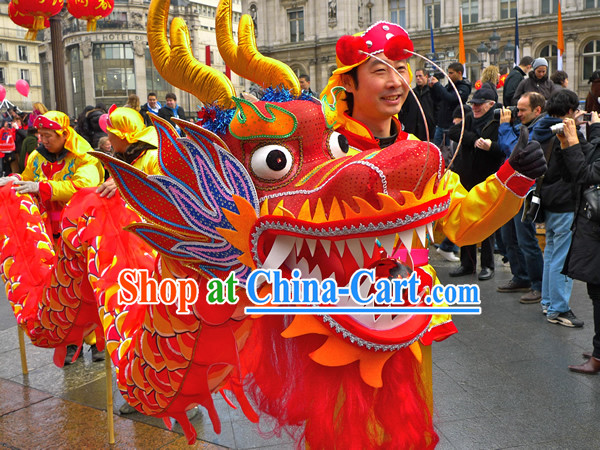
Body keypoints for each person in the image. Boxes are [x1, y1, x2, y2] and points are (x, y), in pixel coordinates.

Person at [529, 89, 585, 326]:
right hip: (564, 199)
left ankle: (548, 303)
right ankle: (558, 308)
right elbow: (579, 165)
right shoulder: (566, 131)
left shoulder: (540, 128)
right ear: (571, 111)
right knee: (562, 256)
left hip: (547, 196)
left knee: (551, 252)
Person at [555, 114, 600, 372]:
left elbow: (585, 173)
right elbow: (577, 168)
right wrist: (566, 144)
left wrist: (572, 141)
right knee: (596, 292)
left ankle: (599, 356)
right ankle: (599, 349)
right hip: (592, 229)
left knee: (599, 294)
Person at [448, 87, 505, 280]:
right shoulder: (470, 119)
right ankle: (467, 264)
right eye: (473, 104)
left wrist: (490, 146)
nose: (475, 108)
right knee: (465, 222)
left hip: (487, 179)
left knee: (486, 224)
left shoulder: (498, 121)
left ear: (490, 104)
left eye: (479, 104)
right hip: (466, 178)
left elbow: (505, 149)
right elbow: (454, 131)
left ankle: (488, 265)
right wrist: (473, 139)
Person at [496, 92, 546, 303]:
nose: (518, 113)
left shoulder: (541, 128)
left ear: (537, 110)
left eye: (522, 110)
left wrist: (505, 127)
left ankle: (538, 285)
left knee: (527, 239)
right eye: (517, 109)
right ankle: (521, 276)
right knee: (509, 237)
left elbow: (516, 151)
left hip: (527, 190)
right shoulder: (523, 126)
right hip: (512, 188)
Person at [97, 106, 160, 199]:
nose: (108, 138)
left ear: (120, 136)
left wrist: (126, 186)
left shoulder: (154, 157)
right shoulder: (120, 158)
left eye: (109, 133)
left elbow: (164, 194)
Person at [429, 62, 472, 148]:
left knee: (449, 151)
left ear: (459, 73)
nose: (448, 75)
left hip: (451, 125)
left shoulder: (464, 87)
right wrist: (432, 89)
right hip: (441, 124)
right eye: (448, 72)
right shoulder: (449, 86)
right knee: (436, 149)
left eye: (451, 73)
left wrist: (438, 85)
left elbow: (451, 99)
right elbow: (438, 99)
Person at [399, 68, 438, 142]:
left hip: (428, 130)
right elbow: (404, 109)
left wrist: (433, 121)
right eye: (416, 76)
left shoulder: (432, 92)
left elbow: (437, 108)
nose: (418, 78)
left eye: (420, 76)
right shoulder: (411, 93)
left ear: (426, 76)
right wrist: (406, 121)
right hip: (412, 129)